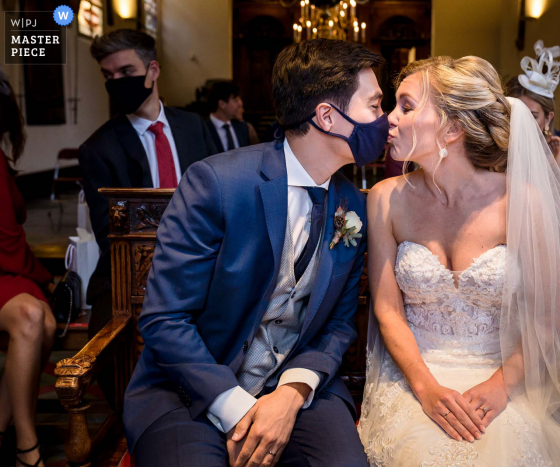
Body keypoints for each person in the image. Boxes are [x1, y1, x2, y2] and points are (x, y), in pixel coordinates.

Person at [123, 38, 387, 466]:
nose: (385, 120)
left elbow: (338, 325)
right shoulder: (218, 184)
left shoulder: (353, 205)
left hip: (296, 389)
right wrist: (238, 408)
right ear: (327, 116)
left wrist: (292, 392)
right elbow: (165, 318)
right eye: (374, 106)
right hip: (189, 389)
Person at [358, 55, 560, 466]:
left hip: (502, 376)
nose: (388, 119)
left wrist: (502, 385)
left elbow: (547, 315)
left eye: (406, 107)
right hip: (415, 376)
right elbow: (388, 310)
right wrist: (425, 388)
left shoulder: (521, 201)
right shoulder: (385, 199)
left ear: (453, 128)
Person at [78, 29, 217, 349]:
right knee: (116, 348)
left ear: (152, 71)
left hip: (203, 261)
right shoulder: (98, 148)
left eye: (126, 72)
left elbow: (222, 196)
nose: (116, 82)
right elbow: (110, 235)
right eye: (108, 75)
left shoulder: (194, 126)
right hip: (132, 272)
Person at [0, 68, 56, 467]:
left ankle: (1, 426)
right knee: (31, 315)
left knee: (47, 324)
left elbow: (9, 237)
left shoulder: (0, 158)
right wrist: (41, 278)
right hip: (9, 268)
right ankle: (26, 446)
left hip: (10, 268)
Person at [506, 41, 560, 223]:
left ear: (548, 118)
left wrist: (556, 171)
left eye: (532, 116)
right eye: (513, 115)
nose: (522, 123)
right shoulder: (497, 149)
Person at [205, 81, 254, 152]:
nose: (240, 104)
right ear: (222, 104)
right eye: (235, 100)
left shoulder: (243, 127)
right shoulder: (203, 130)